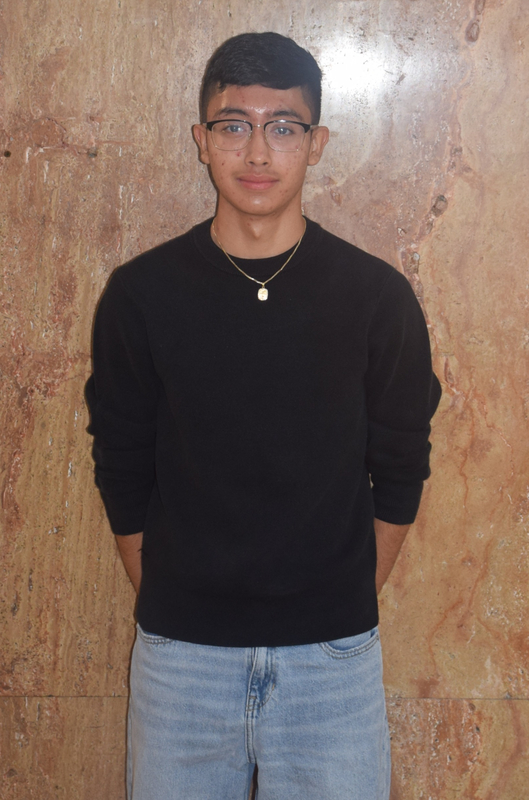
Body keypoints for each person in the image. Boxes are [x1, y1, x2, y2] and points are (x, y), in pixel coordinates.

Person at [85, 31, 441, 800]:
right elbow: (121, 463)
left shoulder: (375, 299)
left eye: (283, 127)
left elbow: (402, 465)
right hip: (181, 661)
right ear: (200, 140)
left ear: (315, 145)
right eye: (233, 124)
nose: (257, 152)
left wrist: (338, 601)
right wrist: (180, 606)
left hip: (332, 663)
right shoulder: (142, 295)